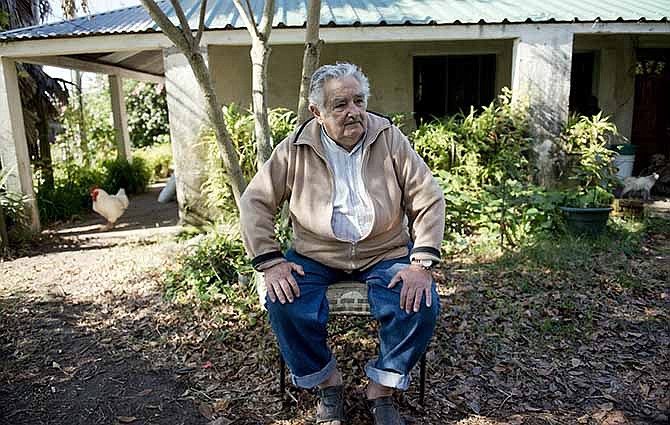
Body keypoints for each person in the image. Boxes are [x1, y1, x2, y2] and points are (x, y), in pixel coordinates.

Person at [239, 62, 445, 425]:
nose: (354, 112)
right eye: (340, 104)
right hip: (315, 254)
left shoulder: (389, 137)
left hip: (384, 251)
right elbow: (255, 201)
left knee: (419, 302)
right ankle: (327, 383)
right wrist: (271, 262)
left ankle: (381, 389)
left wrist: (420, 263)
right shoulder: (295, 147)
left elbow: (427, 197)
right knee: (284, 301)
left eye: (359, 101)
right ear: (317, 112)